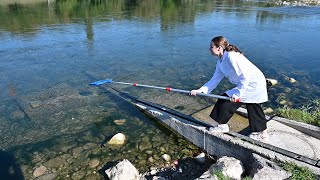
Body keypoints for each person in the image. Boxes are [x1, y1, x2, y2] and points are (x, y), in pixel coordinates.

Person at [191, 36, 269, 142]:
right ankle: (261, 133)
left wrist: (238, 94)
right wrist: (201, 90)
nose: (209, 49)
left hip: (253, 83)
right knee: (250, 104)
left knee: (235, 101)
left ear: (219, 48)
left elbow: (245, 76)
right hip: (247, 83)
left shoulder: (232, 57)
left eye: (211, 47)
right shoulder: (221, 61)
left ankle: (224, 126)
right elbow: (215, 80)